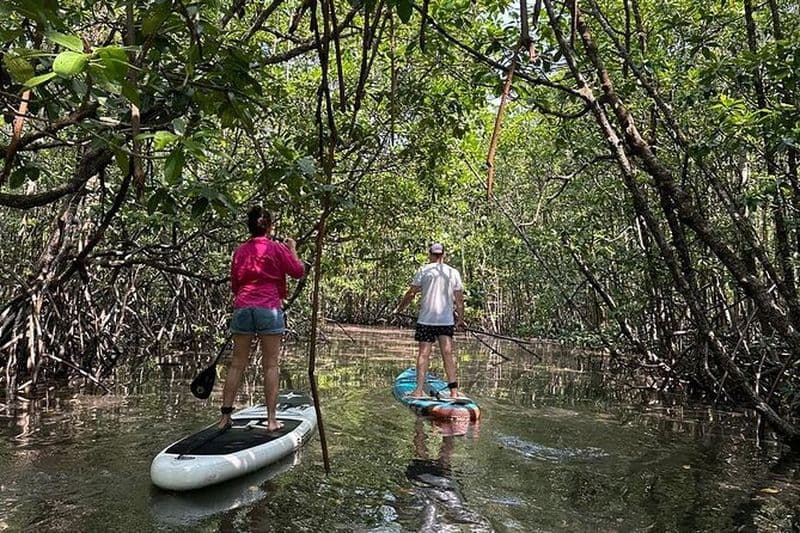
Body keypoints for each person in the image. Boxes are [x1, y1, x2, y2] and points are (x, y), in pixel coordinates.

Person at [218, 205, 305, 431]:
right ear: (269, 226)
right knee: (271, 365)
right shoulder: (277, 249)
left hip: (243, 307)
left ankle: (225, 416)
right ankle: (271, 420)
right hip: (269, 309)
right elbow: (297, 271)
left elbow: (235, 285)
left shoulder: (240, 251)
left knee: (237, 364)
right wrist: (292, 249)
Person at [393, 243, 465, 398]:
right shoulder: (453, 273)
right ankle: (454, 392)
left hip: (426, 320)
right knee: (447, 354)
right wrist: (460, 319)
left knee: (423, 354)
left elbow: (411, 293)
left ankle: (418, 390)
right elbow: (459, 299)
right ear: (443, 255)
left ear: (430, 254)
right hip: (446, 321)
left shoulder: (423, 271)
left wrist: (399, 309)